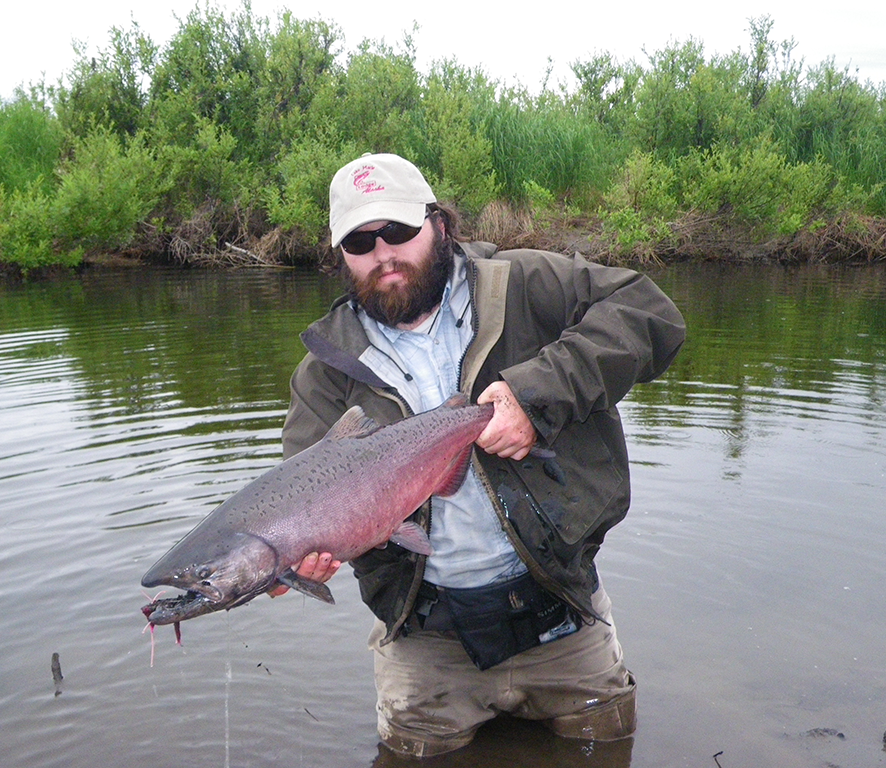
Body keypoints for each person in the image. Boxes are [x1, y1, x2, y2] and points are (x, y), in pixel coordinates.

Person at [276, 152, 686, 758]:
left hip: (564, 613)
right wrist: (311, 554)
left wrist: (536, 393)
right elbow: (301, 495)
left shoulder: (526, 285)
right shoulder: (324, 375)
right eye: (361, 241)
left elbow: (651, 316)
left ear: (438, 225)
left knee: (607, 748)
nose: (384, 253)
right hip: (425, 645)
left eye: (398, 230)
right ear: (341, 255)